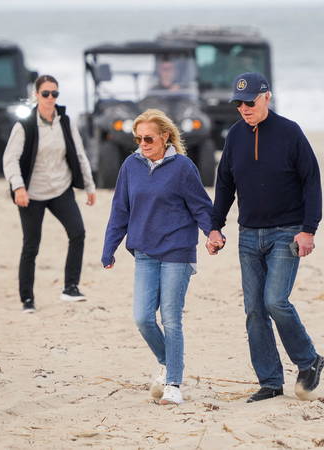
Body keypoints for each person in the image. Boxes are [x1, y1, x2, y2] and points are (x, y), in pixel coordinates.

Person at [207, 72, 324, 403]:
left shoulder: (290, 133)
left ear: (266, 98)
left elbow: (311, 182)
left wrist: (309, 229)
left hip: (287, 232)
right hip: (248, 235)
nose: (244, 108)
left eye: (250, 102)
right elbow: (226, 184)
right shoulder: (234, 136)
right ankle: (271, 381)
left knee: (275, 301)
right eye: (239, 103)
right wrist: (215, 226)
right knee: (254, 310)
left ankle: (309, 360)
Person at [101, 109, 213, 405]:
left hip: (177, 252)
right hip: (145, 252)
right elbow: (120, 210)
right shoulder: (131, 166)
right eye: (138, 139)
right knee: (142, 318)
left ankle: (173, 384)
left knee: (171, 319)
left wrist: (212, 233)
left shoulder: (183, 167)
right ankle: (167, 362)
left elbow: (201, 206)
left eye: (148, 138)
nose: (143, 144)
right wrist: (109, 246)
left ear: (165, 136)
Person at [3, 74, 96, 313]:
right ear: (36, 95)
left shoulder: (65, 121)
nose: (50, 98)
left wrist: (89, 186)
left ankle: (70, 287)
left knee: (78, 233)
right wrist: (18, 187)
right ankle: (27, 300)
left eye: (55, 93)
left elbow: (79, 154)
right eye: (46, 93)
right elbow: (9, 159)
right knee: (31, 246)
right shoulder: (25, 125)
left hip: (61, 189)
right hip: (31, 193)